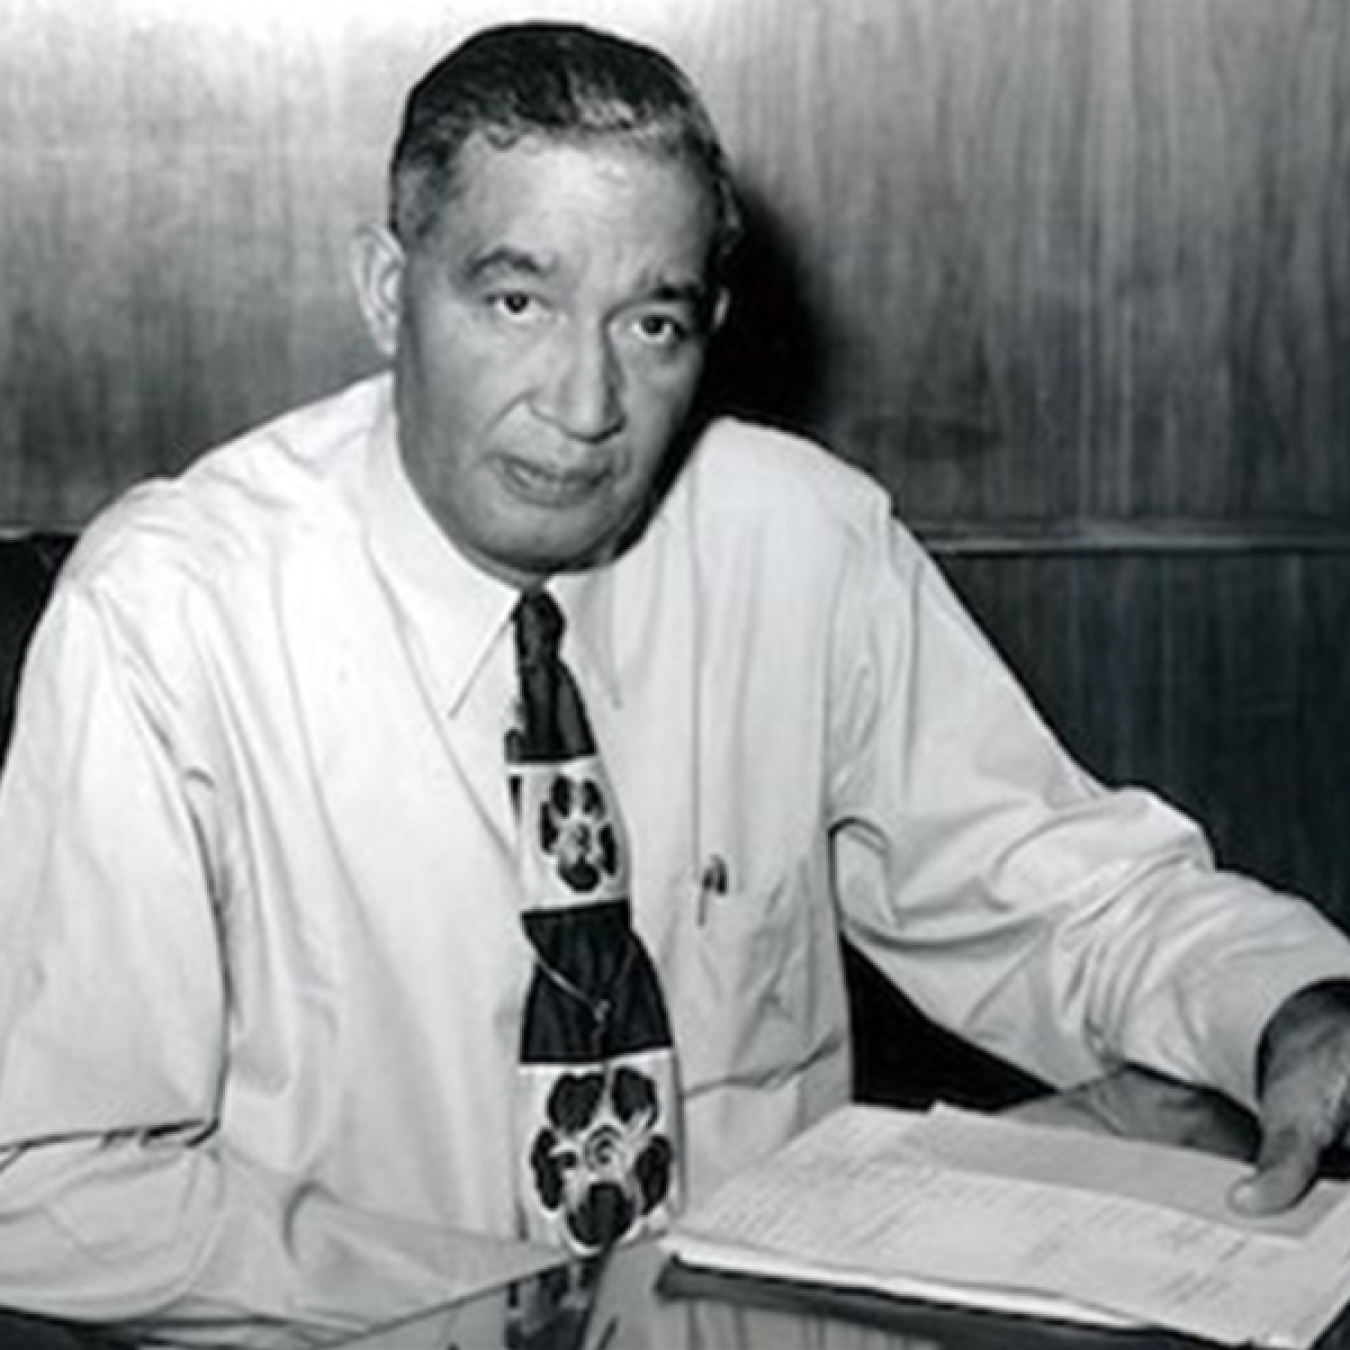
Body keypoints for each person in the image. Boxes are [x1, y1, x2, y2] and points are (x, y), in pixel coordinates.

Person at [2, 17, 1350, 1345]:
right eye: (514, 300)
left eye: (650, 323)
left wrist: (1286, 1006)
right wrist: (539, 1309)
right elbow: (44, 1179)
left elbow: (1059, 896)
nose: (584, 403)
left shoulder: (801, 541)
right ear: (383, 289)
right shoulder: (170, 609)